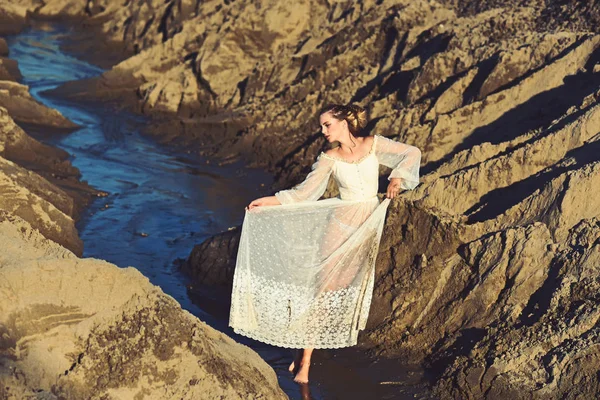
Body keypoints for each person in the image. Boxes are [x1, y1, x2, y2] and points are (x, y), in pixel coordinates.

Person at [229, 104, 421, 384]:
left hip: (366, 227)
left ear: (344, 122)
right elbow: (304, 193)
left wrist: (396, 177)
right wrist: (267, 201)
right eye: (321, 126)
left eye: (327, 124)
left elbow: (411, 152)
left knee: (339, 292)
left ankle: (300, 352)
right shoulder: (329, 157)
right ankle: (305, 361)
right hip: (338, 226)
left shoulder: (373, 144)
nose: (323, 131)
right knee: (323, 293)